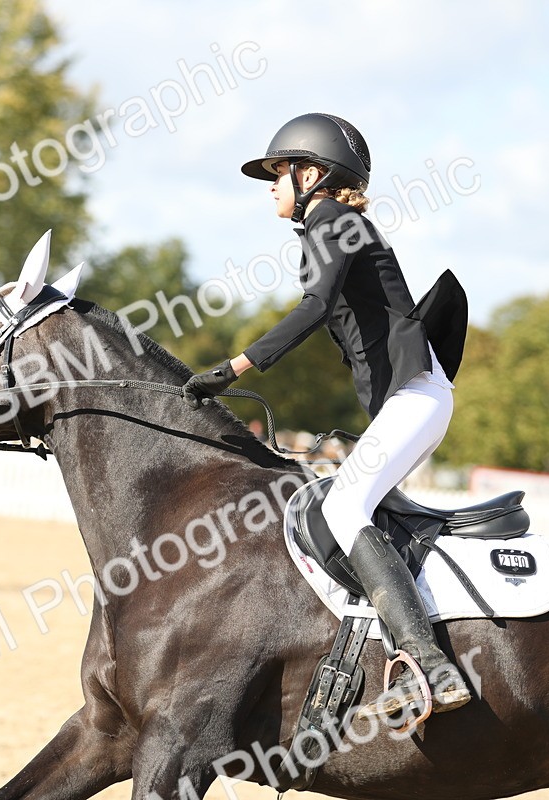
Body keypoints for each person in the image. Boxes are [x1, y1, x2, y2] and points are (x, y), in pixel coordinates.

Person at [182, 112, 471, 719]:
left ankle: (430, 664)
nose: (271, 186)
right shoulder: (332, 225)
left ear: (310, 175)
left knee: (342, 507)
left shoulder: (335, 221)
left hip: (417, 398)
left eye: (278, 173)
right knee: (355, 510)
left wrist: (232, 368)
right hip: (414, 399)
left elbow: (314, 309)